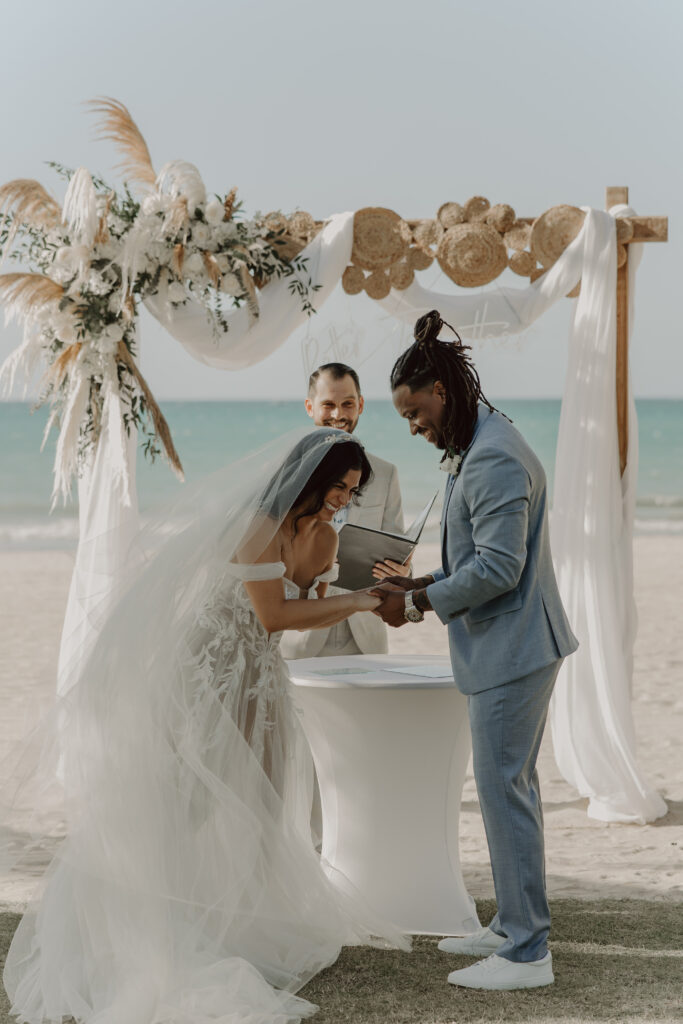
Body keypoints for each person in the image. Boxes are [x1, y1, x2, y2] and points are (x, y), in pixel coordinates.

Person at [2, 429, 408, 1024]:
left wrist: (361, 582)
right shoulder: (256, 524)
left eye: (351, 491)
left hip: (261, 678)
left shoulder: (322, 535)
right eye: (338, 487)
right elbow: (272, 615)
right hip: (211, 671)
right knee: (190, 797)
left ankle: (246, 920)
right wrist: (359, 602)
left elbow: (300, 610)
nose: (343, 499)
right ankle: (154, 915)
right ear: (311, 479)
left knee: (266, 802)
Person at [373, 310, 578, 992]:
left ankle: (526, 952)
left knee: (503, 792)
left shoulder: (490, 453)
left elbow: (497, 569)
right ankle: (510, 923)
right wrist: (423, 580)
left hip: (514, 649)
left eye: (413, 412)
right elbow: (480, 558)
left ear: (438, 388)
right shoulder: (484, 438)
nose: (413, 426)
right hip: (510, 646)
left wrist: (416, 603)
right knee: (503, 791)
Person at [280, 362, 409, 660]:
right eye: (328, 405)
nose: (338, 415)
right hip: (300, 638)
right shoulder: (287, 473)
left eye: (347, 404)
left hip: (366, 639)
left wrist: (404, 572)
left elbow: (399, 550)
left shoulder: (386, 474)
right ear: (310, 407)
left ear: (360, 405)